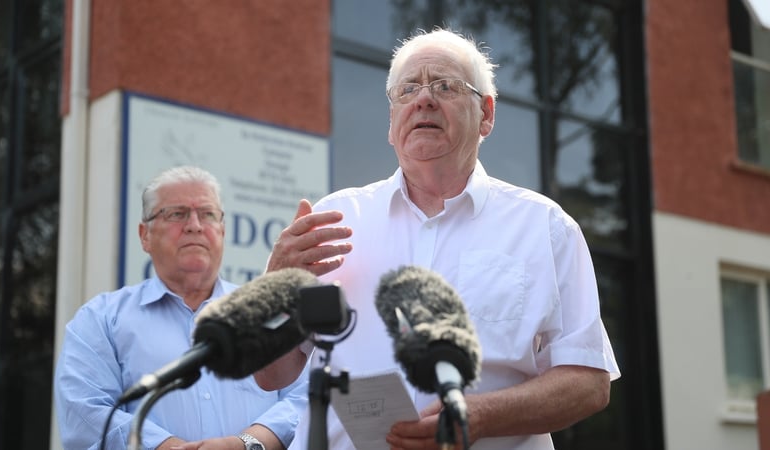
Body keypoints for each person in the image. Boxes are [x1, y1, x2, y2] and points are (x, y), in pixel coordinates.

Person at [265, 28, 620, 449]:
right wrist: (275, 287)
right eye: (408, 89)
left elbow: (588, 383)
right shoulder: (334, 219)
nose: (423, 99)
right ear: (392, 121)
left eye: (446, 86)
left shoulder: (544, 228)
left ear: (486, 114)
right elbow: (272, 373)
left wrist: (480, 417)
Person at [54, 165, 308, 450]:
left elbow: (307, 394)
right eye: (177, 214)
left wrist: (246, 444)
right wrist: (164, 447)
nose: (195, 225)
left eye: (208, 214)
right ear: (144, 235)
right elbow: (85, 412)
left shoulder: (267, 309)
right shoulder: (100, 319)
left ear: (223, 231)